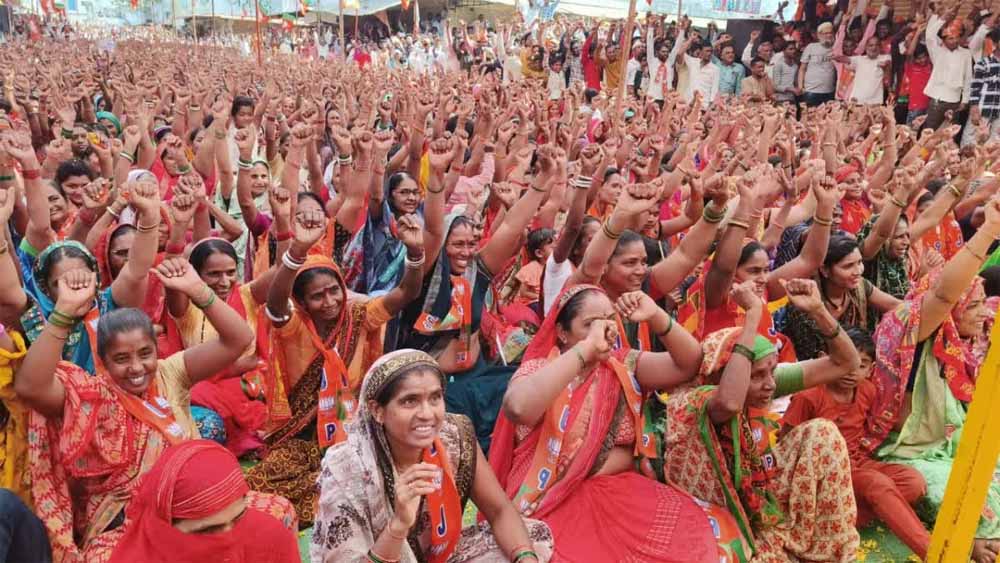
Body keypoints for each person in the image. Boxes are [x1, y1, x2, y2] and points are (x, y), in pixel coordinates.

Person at [13, 257, 266, 562]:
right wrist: (64, 311)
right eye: (121, 359)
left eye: (145, 354)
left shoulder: (170, 372)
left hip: (200, 505)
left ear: (157, 350)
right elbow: (31, 387)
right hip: (131, 521)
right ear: (103, 361)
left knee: (276, 517)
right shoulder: (93, 396)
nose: (136, 368)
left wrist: (197, 289)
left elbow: (239, 339)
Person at [491, 285, 721, 562]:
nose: (604, 331)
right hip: (549, 501)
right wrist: (585, 350)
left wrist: (656, 315)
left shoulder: (621, 366)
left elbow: (689, 363)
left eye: (609, 321)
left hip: (618, 497)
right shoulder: (540, 369)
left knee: (691, 542)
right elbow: (518, 408)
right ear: (562, 332)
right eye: (590, 324)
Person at [246, 209, 425, 527]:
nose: (329, 301)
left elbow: (406, 292)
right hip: (301, 437)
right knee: (263, 479)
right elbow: (274, 304)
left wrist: (414, 252)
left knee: (363, 475)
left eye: (334, 291)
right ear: (302, 302)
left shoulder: (360, 317)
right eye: (317, 296)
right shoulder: (294, 327)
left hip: (352, 430)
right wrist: (297, 251)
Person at [663, 278, 862, 561]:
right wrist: (753, 314)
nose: (770, 384)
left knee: (823, 433)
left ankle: (827, 551)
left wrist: (819, 311)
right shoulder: (696, 402)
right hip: (720, 514)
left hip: (762, 493)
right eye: (757, 375)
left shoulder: (765, 384)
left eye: (771, 371)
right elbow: (729, 403)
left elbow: (847, 363)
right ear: (719, 376)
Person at [311, 349, 553, 563]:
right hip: (378, 556)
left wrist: (526, 559)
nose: (427, 414)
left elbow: (499, 511)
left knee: (530, 538)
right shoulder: (347, 468)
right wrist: (398, 525)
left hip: (440, 555)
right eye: (410, 401)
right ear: (377, 410)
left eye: (435, 398)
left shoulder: (455, 435)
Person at [867, 194, 1000, 563]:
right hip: (909, 451)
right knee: (954, 488)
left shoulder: (963, 344)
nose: (984, 315)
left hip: (949, 441)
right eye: (974, 307)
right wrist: (989, 230)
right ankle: (968, 537)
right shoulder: (913, 329)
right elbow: (943, 294)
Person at [782, 327, 930, 559]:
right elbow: (788, 444)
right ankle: (934, 553)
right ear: (824, 359)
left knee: (913, 482)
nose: (851, 371)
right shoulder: (808, 396)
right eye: (844, 362)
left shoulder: (867, 391)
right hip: (825, 475)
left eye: (861, 365)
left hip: (857, 462)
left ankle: (832, 520)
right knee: (877, 485)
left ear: (871, 370)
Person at [108, 440, 299, 563]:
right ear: (165, 526)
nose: (229, 538)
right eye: (208, 530)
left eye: (238, 518)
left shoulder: (270, 538)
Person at [783, 234, 902, 360]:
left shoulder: (860, 286)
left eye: (859, 262)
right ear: (825, 270)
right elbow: (808, 356)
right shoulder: (805, 303)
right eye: (848, 266)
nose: (858, 271)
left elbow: (897, 307)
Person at [799, 22, 837, 106]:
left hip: (829, 91)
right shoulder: (811, 47)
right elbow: (802, 68)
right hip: (811, 90)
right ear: (819, 35)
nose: (829, 35)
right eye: (826, 33)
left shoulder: (836, 48)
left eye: (831, 33)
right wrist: (801, 87)